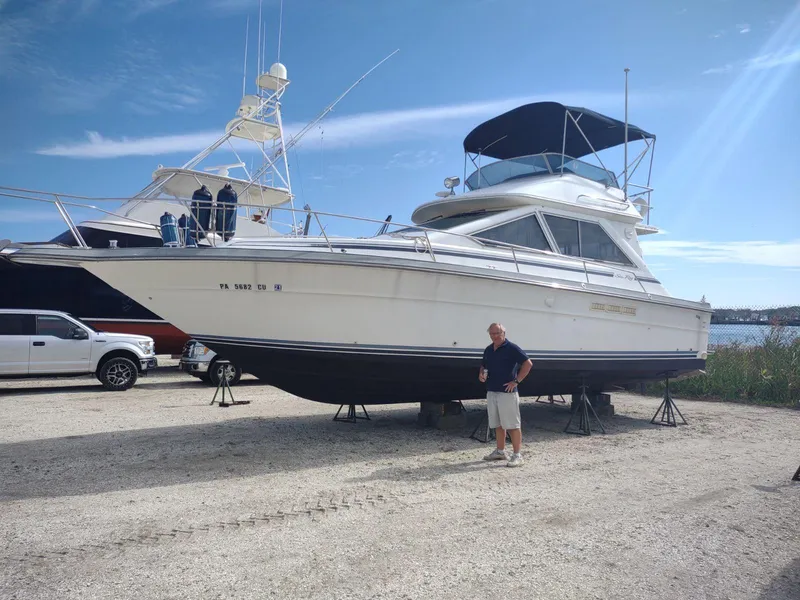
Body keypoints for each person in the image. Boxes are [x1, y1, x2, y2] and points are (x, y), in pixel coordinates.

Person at [479, 323, 533, 467]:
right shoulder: (489, 349)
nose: (494, 336)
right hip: (492, 390)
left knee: (512, 425)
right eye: (492, 334)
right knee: (498, 424)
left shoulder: (512, 348)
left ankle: (517, 455)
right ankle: (500, 451)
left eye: (497, 333)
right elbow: (484, 365)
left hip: (507, 393)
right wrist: (481, 373)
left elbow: (528, 363)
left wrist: (516, 381)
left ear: (504, 333)